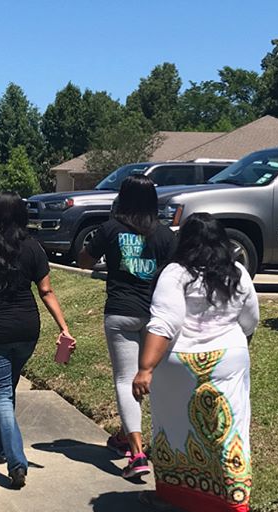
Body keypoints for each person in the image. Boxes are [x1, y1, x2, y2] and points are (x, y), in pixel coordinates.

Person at [132, 212, 260, 512]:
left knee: (171, 428)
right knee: (229, 432)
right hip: (227, 360)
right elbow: (250, 320)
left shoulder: (176, 274)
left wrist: (145, 368)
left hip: (179, 366)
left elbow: (164, 322)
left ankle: (171, 494)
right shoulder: (239, 273)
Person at [0, 192, 75, 490]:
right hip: (26, 328)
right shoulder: (33, 247)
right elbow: (46, 291)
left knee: (0, 395)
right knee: (7, 390)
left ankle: (16, 462)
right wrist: (63, 326)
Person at [78, 175, 176, 480]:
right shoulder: (165, 235)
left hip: (120, 311)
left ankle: (136, 453)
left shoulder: (110, 229)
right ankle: (124, 435)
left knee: (125, 379)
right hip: (155, 314)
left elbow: (83, 262)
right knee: (145, 379)